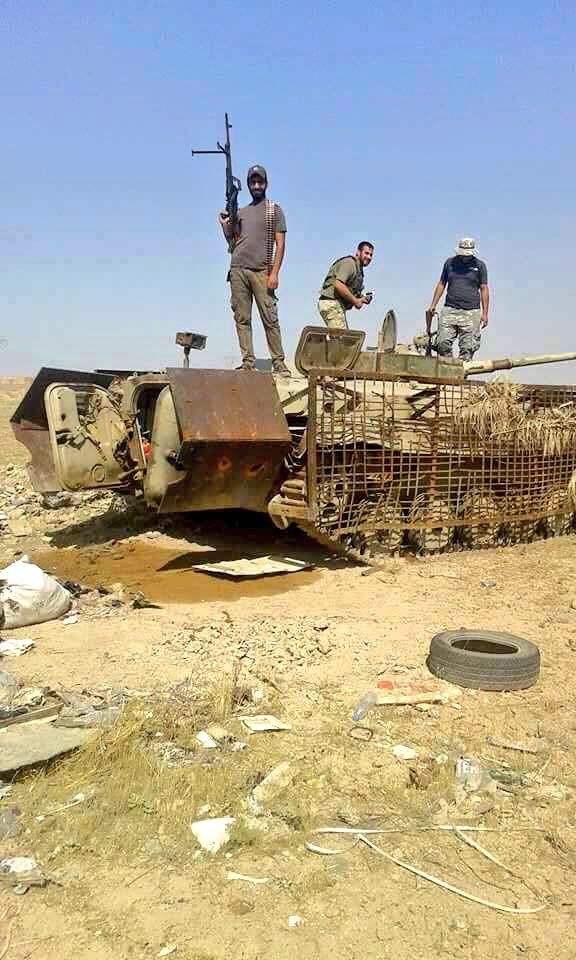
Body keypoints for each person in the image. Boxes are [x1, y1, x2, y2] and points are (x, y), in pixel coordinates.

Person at [219, 165, 290, 376]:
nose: (256, 186)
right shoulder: (241, 212)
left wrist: (275, 273)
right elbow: (232, 241)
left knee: (270, 318)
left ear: (266, 184)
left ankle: (279, 363)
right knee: (242, 318)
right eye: (253, 182)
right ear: (249, 185)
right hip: (238, 269)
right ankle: (248, 363)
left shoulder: (273, 209)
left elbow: (281, 243)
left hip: (262, 271)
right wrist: (224, 225)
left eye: (260, 182)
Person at [426, 238, 489, 361]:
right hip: (450, 308)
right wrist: (433, 304)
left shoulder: (480, 265)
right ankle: (446, 368)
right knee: (442, 343)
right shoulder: (449, 263)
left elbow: (484, 288)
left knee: (468, 348)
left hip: (471, 311)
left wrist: (485, 314)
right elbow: (442, 283)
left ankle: (460, 373)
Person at [317, 242, 374, 329]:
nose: (369, 257)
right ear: (358, 252)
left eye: (371, 255)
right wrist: (355, 301)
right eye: (366, 253)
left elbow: (350, 291)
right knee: (342, 338)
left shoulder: (358, 270)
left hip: (336, 305)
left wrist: (361, 299)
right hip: (331, 303)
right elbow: (338, 285)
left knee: (344, 337)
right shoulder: (349, 263)